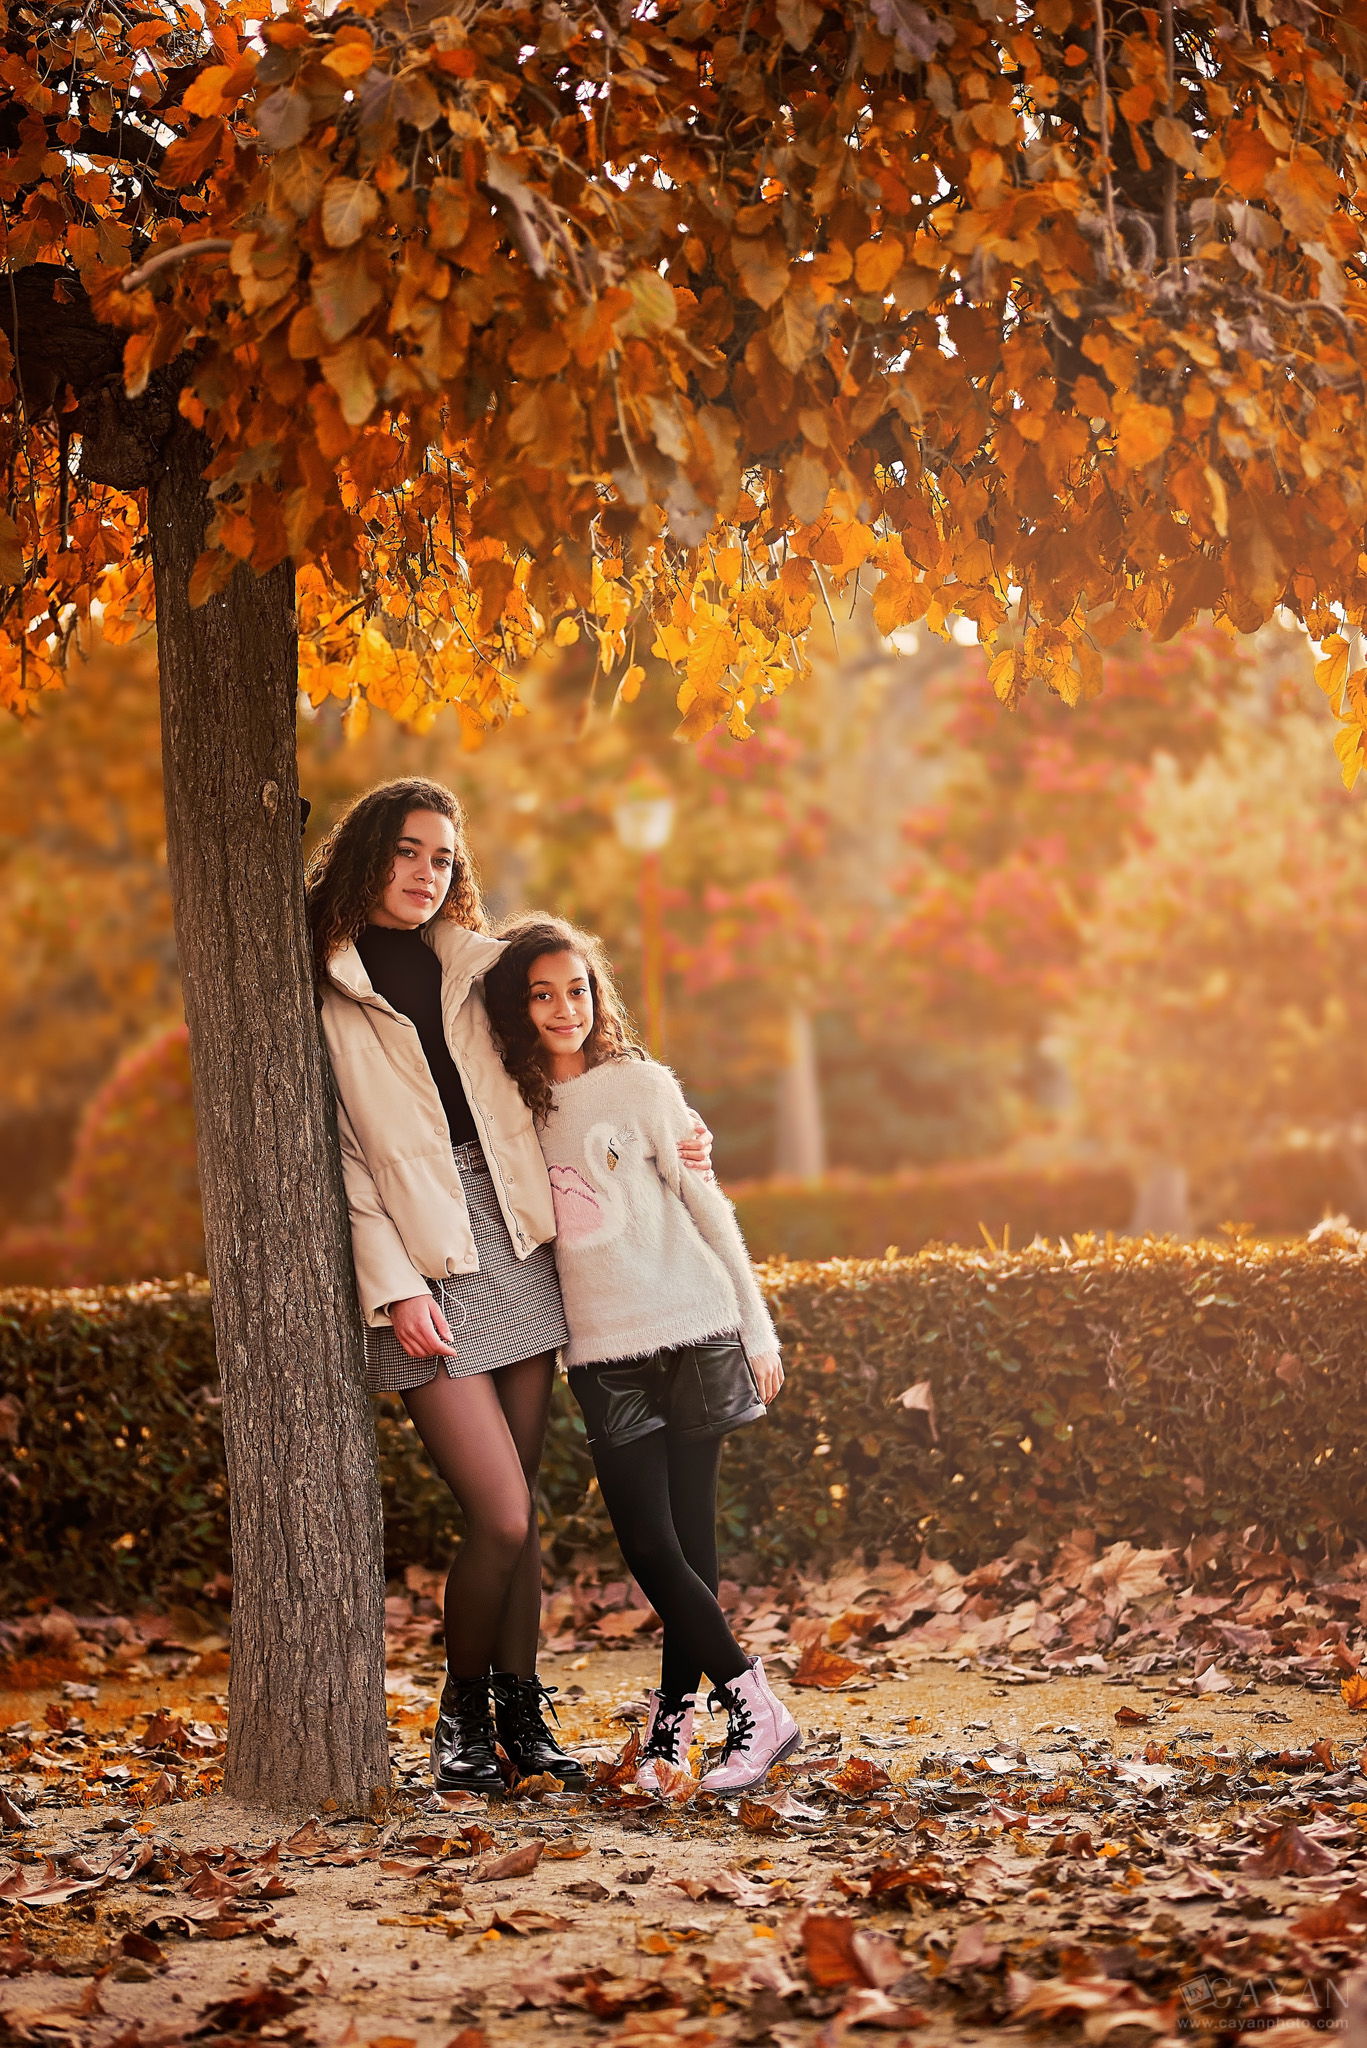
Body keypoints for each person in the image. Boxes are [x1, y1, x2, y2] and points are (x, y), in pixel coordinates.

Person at [483, 914, 801, 1796]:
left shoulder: (645, 1085)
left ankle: (676, 1731)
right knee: (653, 1549)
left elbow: (709, 1207)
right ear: (516, 1006)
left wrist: (756, 1324)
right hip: (603, 1353)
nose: (564, 1007)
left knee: (684, 1553)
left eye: (577, 988)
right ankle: (749, 1706)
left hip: (694, 1324)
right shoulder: (511, 1108)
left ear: (597, 993)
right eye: (541, 993)